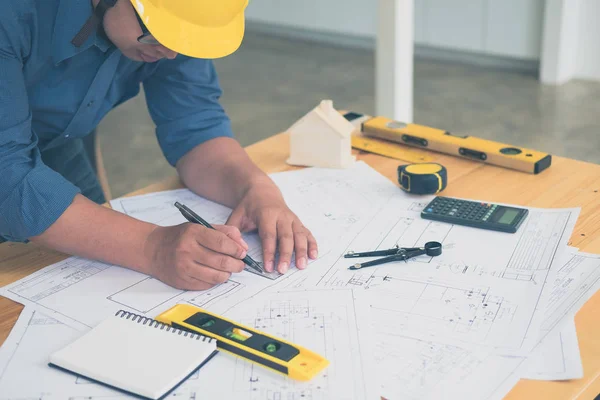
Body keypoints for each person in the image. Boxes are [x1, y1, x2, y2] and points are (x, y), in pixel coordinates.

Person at [0, 0, 318, 290]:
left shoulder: (169, 18)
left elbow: (196, 126)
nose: (171, 53)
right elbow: (9, 178)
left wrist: (256, 189)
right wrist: (151, 247)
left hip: (52, 144)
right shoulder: (12, 15)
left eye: (182, 39)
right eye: (158, 34)